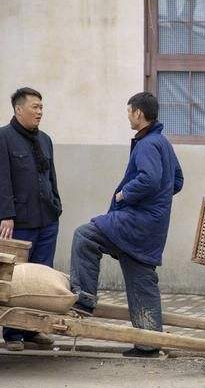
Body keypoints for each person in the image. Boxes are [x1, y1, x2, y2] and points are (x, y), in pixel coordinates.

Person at [69, 92, 183, 358]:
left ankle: (84, 299)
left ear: (138, 114)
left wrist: (125, 195)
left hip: (135, 222)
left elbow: (149, 179)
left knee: (85, 236)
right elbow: (176, 181)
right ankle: (148, 343)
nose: (128, 116)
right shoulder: (162, 142)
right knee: (140, 277)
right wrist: (159, 202)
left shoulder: (146, 144)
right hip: (152, 226)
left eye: (129, 111)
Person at [0, 88, 61, 351]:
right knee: (17, 278)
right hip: (19, 221)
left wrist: (57, 205)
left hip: (47, 218)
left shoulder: (45, 139)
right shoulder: (3, 138)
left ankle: (34, 330)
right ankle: (13, 334)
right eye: (35, 107)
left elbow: (51, 177)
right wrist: (5, 215)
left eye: (42, 107)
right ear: (19, 109)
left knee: (42, 277)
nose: (40, 112)